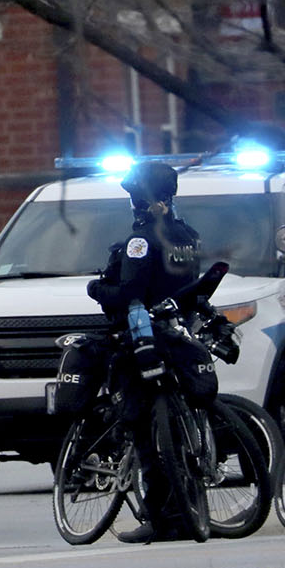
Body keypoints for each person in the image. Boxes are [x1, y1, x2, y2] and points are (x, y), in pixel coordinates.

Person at [86, 160, 200, 544]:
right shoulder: (187, 235)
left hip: (143, 341)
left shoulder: (140, 240)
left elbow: (130, 294)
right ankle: (189, 510)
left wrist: (96, 290)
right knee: (180, 433)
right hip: (178, 338)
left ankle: (161, 517)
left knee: (143, 428)